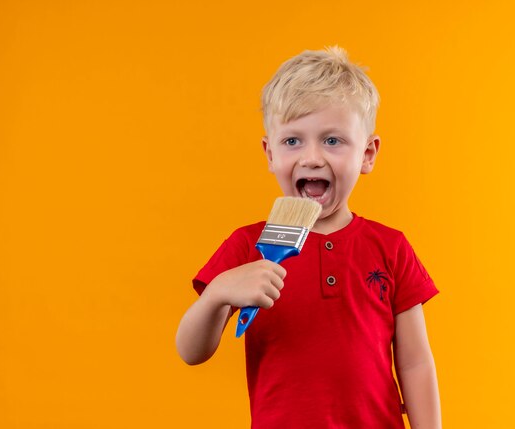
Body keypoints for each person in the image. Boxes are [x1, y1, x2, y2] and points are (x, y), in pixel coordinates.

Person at [176, 46, 442, 428]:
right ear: (270, 153)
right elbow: (191, 352)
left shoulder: (391, 247)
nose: (312, 158)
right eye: (292, 141)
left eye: (332, 141)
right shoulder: (248, 245)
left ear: (367, 154)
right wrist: (217, 293)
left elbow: (416, 362)